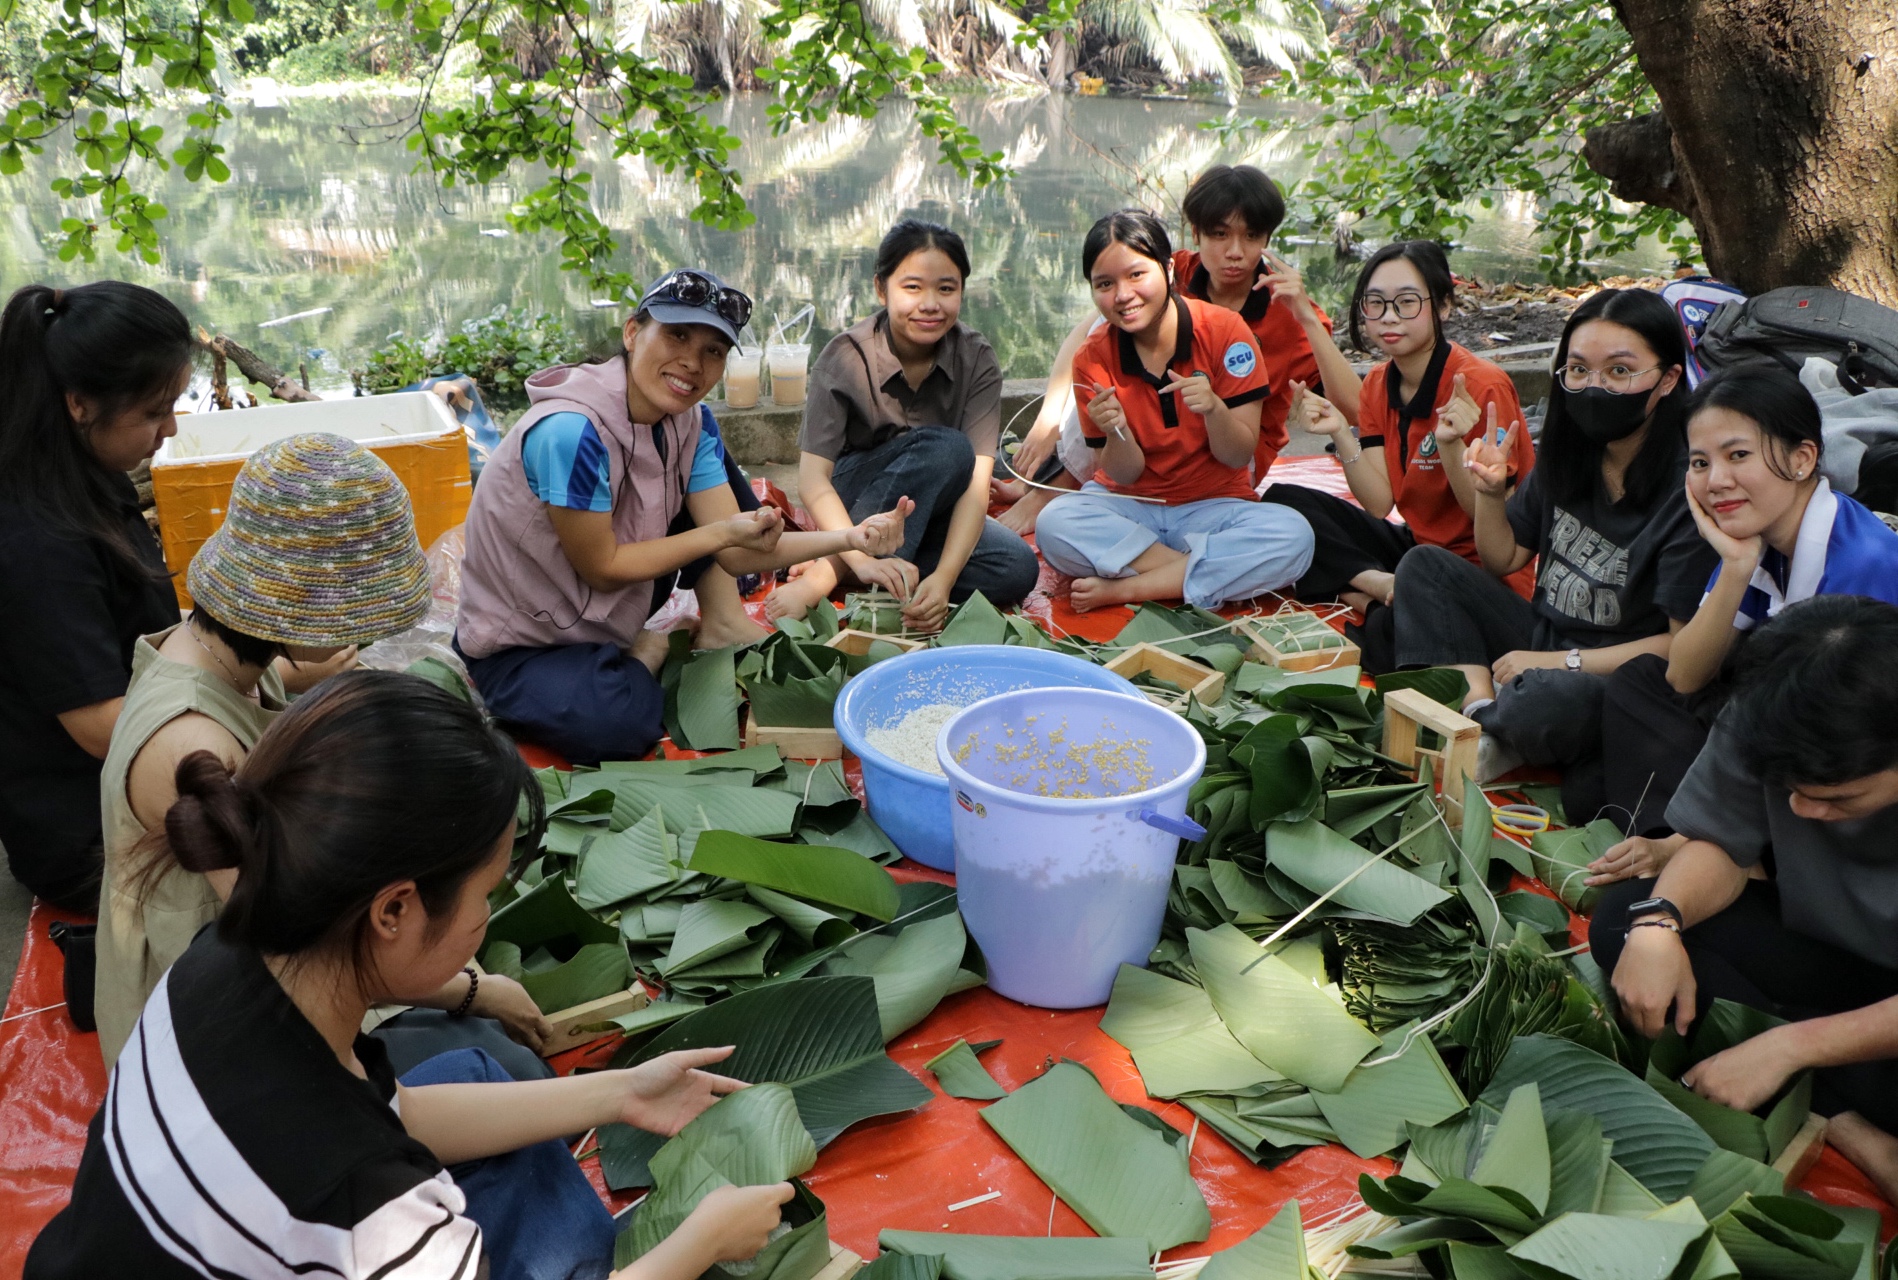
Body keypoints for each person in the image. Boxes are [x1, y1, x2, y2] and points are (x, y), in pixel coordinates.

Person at [28, 670, 793, 1280]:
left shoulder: (226, 957)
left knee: (482, 1074)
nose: (484, 922)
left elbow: (396, 1116)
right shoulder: (366, 1202)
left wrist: (623, 1092)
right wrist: (699, 1242)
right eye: (485, 894)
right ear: (392, 910)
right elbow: (370, 1162)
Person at [93, 433, 552, 1070]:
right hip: (206, 1033)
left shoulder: (225, 657)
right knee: (493, 1061)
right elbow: (304, 938)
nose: (362, 640)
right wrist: (477, 989)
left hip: (258, 960)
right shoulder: (193, 743)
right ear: (292, 614)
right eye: (352, 623)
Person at [456, 268, 912, 765]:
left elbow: (741, 554)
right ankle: (647, 650)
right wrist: (717, 532)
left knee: (724, 503)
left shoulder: (690, 422)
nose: (692, 363)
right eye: (676, 335)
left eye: (713, 351)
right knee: (620, 727)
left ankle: (715, 622)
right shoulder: (569, 433)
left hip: (606, 612)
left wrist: (853, 537)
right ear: (633, 333)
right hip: (527, 638)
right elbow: (603, 568)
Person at [1589, 598, 1898, 1206]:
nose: (1804, 813)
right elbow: (1725, 844)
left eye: (1837, 798)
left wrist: (1791, 1046)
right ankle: (1850, 1125)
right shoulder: (1769, 712)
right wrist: (1660, 922)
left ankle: (1813, 1083)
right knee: (1624, 925)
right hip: (1839, 957)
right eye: (1790, 792)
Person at [1391, 287, 1719, 814]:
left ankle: (1499, 723)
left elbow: (1677, 648)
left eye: (1619, 371)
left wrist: (1557, 662)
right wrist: (1491, 494)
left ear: (1668, 379)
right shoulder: (1570, 454)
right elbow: (1502, 559)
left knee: (1548, 700)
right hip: (1537, 642)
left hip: (1615, 678)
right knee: (1423, 567)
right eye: (1579, 370)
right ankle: (1483, 719)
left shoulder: (1688, 491)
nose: (1594, 386)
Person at [1584, 366, 1898, 858]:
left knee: (1598, 777)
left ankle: (1695, 849)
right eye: (1700, 462)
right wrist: (1735, 567)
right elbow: (1684, 676)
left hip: (1836, 771)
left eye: (1738, 455)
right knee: (1639, 682)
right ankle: (1678, 838)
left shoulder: (1864, 565)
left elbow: (1835, 734)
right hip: (1773, 732)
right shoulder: (1760, 539)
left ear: (1802, 458)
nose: (1716, 481)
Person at [998, 165, 1360, 535]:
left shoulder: (1288, 310)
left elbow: (1361, 411)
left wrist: (1309, 320)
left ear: (1267, 237)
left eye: (1251, 236)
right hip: (1153, 441)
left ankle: (1058, 496)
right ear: (1195, 232)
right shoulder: (1174, 271)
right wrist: (1047, 422)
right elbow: (1087, 337)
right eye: (1219, 235)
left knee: (1291, 535)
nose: (1234, 252)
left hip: (1231, 455)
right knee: (1111, 326)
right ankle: (1050, 488)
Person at [1258, 241, 1537, 671]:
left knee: (1393, 631)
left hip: (1482, 573)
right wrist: (1340, 432)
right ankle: (1377, 584)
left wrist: (1450, 446)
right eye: (1376, 303)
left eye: (1407, 302)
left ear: (1442, 307)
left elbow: (1496, 526)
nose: (1389, 316)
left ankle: (1368, 601)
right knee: (1283, 502)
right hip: (1417, 549)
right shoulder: (1376, 384)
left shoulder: (1482, 387)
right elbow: (1379, 503)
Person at [0, 281, 189, 909]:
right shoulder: (38, 538)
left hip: (137, 781)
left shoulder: (84, 479)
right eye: (154, 412)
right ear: (80, 404)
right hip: (93, 837)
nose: (169, 429)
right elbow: (104, 727)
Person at [1032, 209, 1316, 612]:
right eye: (1105, 284)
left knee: (1294, 536)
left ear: (1168, 270)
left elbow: (1237, 455)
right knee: (1054, 524)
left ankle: (1133, 588)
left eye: (1136, 275)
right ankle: (1193, 575)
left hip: (1214, 506)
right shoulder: (1092, 357)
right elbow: (1121, 473)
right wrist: (1117, 431)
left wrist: (1215, 410)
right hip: (1130, 507)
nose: (1123, 295)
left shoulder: (1226, 332)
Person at [763, 220, 1040, 631]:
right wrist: (854, 552)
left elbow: (976, 488)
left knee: (1016, 567)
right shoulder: (845, 357)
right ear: (881, 288)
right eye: (912, 287)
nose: (930, 304)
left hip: (930, 508)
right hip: (855, 501)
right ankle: (833, 572)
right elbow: (813, 480)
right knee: (946, 447)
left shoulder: (976, 358)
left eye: (946, 289)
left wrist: (943, 583)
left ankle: (885, 572)